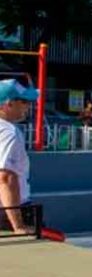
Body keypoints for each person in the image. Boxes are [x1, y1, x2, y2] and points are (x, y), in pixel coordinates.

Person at [0, 80, 39, 234]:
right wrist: (18, 225)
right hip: (8, 213)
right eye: (24, 101)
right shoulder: (9, 132)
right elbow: (6, 177)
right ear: (8, 104)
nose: (28, 106)